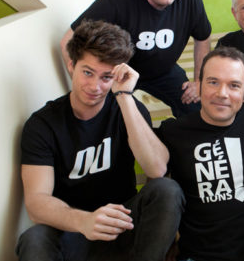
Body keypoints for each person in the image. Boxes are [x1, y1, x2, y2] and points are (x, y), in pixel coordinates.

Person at [16, 20, 184, 261]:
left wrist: (124, 96)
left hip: (124, 224)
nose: (95, 86)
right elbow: (36, 202)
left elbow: (157, 169)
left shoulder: (128, 107)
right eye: (87, 72)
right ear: (71, 65)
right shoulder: (43, 124)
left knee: (167, 190)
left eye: (106, 77)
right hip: (75, 230)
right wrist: (84, 220)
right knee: (34, 239)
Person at [60, 0, 211, 118]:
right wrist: (84, 82)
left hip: (165, 70)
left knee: (198, 106)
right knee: (131, 117)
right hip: (119, 75)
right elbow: (67, 40)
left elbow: (203, 38)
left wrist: (200, 81)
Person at [157, 47, 244, 261]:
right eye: (213, 82)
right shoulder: (173, 132)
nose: (222, 93)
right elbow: (161, 192)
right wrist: (174, 239)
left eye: (234, 85)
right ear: (199, 85)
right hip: (197, 254)